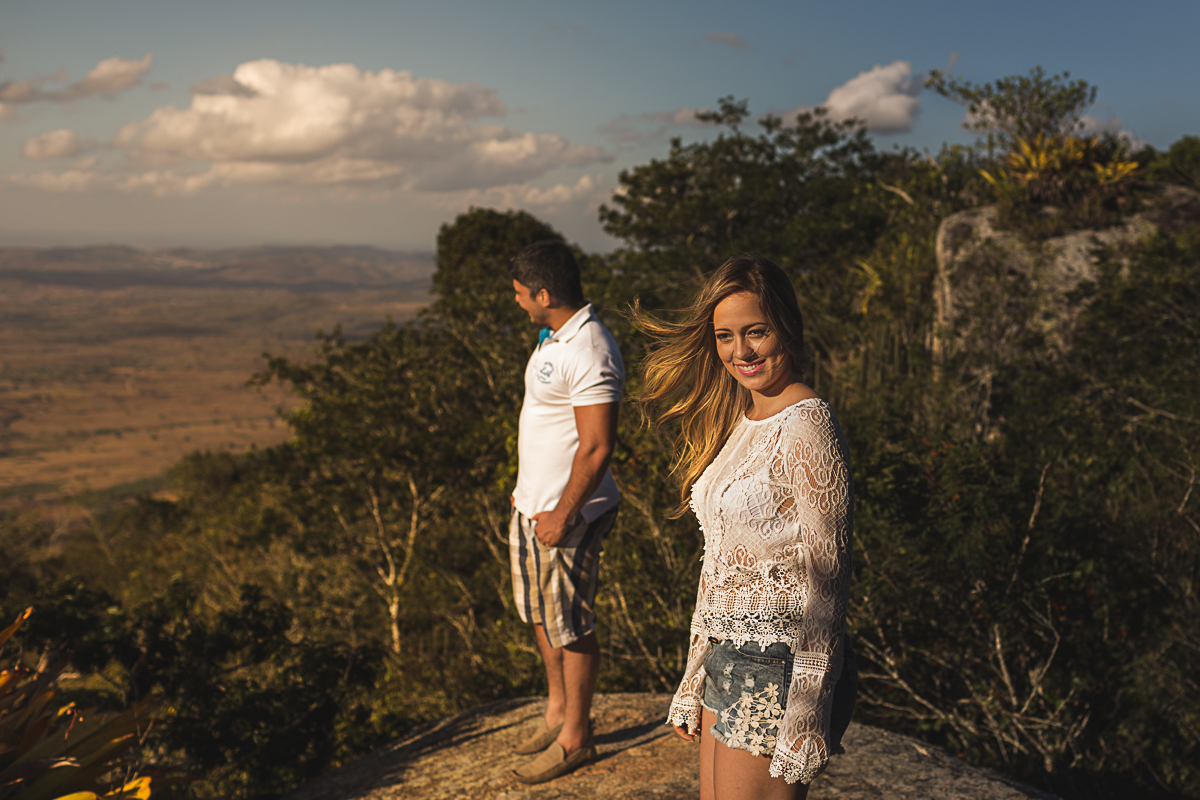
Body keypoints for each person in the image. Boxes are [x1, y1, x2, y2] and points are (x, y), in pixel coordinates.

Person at [633, 253, 857, 800]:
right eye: (726, 336)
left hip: (777, 664)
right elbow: (719, 563)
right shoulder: (745, 421)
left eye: (756, 332)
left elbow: (829, 583)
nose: (741, 352)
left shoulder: (808, 425)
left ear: (786, 326)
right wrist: (694, 672)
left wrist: (807, 711)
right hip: (727, 656)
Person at [506, 240, 624, 785]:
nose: (517, 302)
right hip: (534, 507)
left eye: (520, 294)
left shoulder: (591, 348)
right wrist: (528, 494)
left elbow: (597, 445)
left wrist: (562, 512)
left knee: (570, 625)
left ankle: (576, 738)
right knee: (539, 613)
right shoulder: (555, 336)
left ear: (544, 293)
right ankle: (557, 712)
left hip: (567, 517)